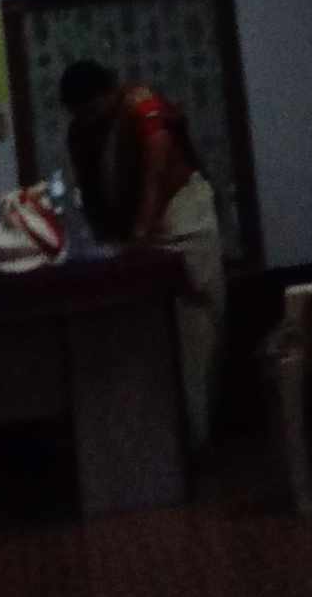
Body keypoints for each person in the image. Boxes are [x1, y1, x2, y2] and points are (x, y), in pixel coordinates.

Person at [60, 57, 227, 450]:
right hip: (131, 235)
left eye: (92, 110)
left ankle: (195, 443)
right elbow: (93, 191)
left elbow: (155, 171)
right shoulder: (83, 130)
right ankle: (153, 446)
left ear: (109, 94)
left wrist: (140, 232)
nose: (88, 120)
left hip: (180, 221)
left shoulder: (142, 107)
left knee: (195, 337)